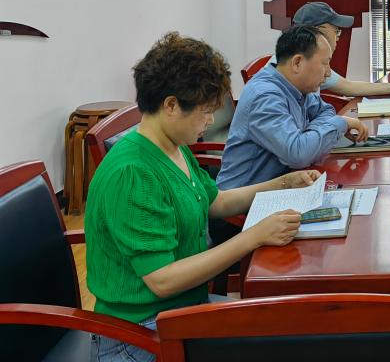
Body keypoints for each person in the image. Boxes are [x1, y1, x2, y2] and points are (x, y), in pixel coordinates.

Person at [86, 33, 318, 362]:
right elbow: (163, 280)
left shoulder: (173, 147)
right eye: (205, 112)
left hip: (181, 311)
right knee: (278, 341)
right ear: (171, 105)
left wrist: (282, 183)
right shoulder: (133, 172)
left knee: (284, 326)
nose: (210, 122)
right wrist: (254, 236)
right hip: (140, 334)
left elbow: (215, 202)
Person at [217, 25, 369, 191]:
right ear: (297, 63)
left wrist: (309, 136)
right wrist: (340, 123)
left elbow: (326, 111)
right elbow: (298, 155)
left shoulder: (297, 85)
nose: (328, 73)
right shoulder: (265, 97)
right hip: (246, 198)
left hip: (286, 184)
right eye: (325, 63)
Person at [267, 1, 390, 97]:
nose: (338, 36)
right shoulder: (291, 72)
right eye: (336, 30)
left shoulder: (310, 63)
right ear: (317, 31)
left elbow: (346, 87)